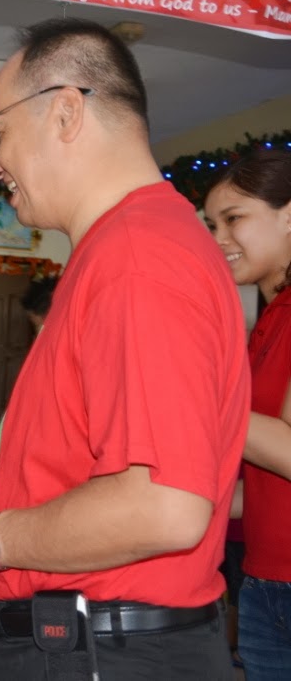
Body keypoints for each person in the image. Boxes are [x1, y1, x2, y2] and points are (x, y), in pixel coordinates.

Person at [0, 18, 249, 679]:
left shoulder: (138, 255)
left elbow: (164, 506)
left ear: (64, 112)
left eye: (0, 130)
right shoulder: (120, 250)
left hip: (104, 653)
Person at [204, 149, 291, 680]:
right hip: (264, 581)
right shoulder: (268, 320)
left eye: (234, 218)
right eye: (211, 225)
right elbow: (260, 487)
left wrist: (198, 394)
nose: (219, 239)